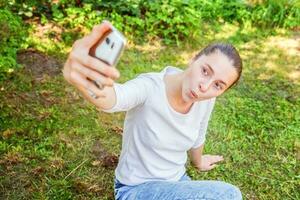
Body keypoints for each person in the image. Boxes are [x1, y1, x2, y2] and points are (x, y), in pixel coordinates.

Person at [63, 21, 243, 200]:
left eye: (218, 85)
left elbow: (199, 134)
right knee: (230, 195)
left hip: (177, 184)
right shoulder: (150, 87)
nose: (205, 86)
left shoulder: (206, 100)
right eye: (205, 71)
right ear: (194, 58)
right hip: (136, 189)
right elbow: (113, 98)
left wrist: (199, 161)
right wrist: (86, 79)